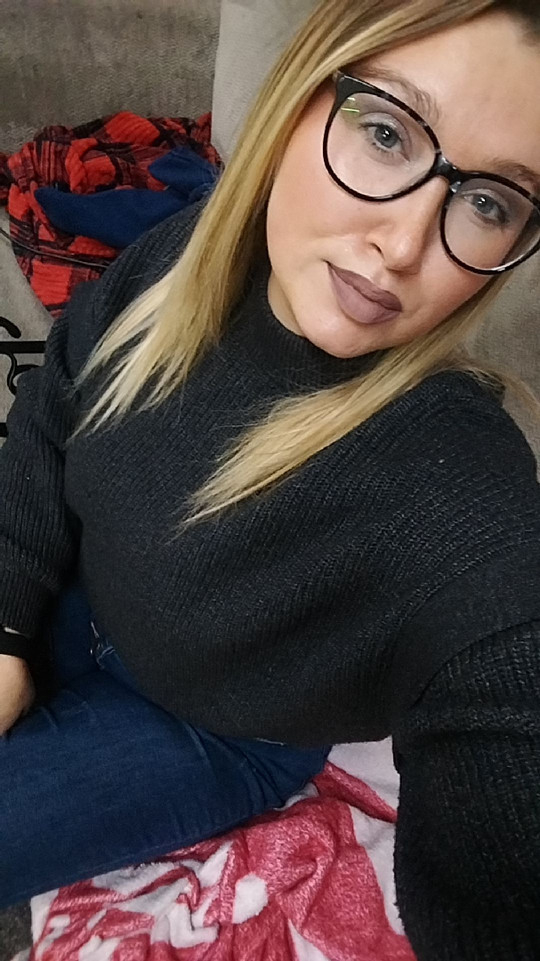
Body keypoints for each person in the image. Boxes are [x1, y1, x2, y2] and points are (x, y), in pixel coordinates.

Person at [1, 0, 540, 955]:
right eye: (387, 134)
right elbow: (53, 408)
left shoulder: (456, 476)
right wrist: (6, 621)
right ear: (297, 100)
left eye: (489, 202)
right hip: (81, 593)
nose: (405, 244)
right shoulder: (179, 258)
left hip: (208, 735)